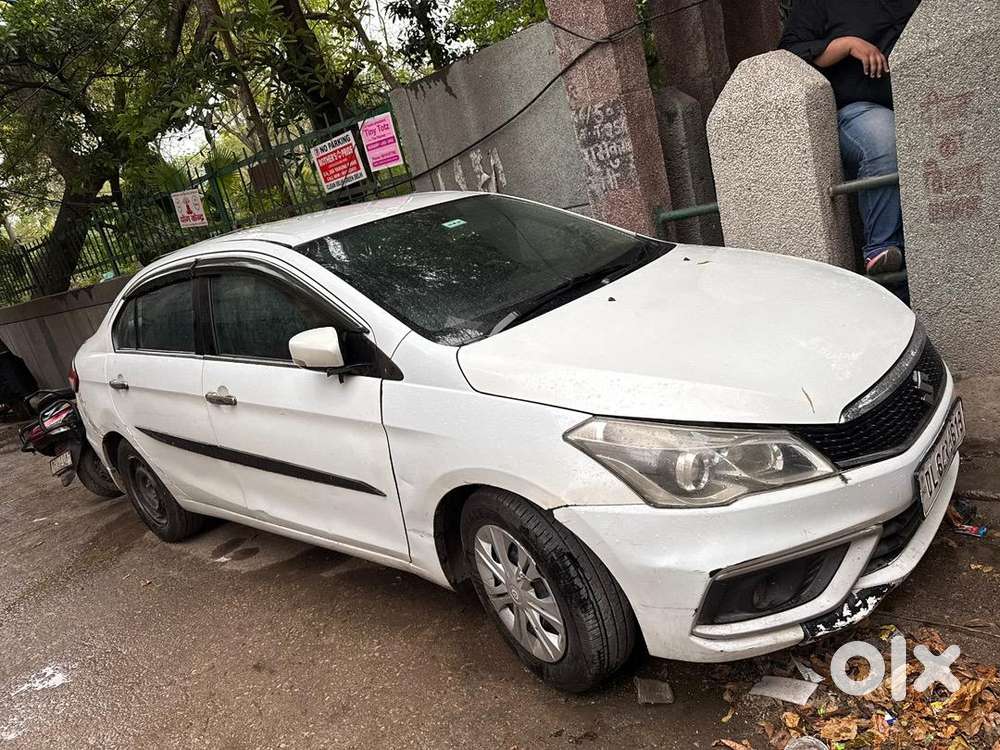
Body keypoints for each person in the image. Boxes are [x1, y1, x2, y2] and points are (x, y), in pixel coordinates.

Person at [779, 1, 919, 275]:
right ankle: (883, 252)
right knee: (882, 137)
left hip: (923, 103)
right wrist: (845, 45)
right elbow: (786, 59)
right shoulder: (819, 5)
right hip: (858, 111)